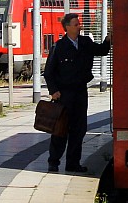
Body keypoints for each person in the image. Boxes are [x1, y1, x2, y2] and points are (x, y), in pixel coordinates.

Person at [44, 13, 110, 173]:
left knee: (78, 129)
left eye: (79, 24)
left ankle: (73, 163)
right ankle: (54, 161)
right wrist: (53, 91)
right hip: (64, 94)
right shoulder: (58, 47)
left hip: (80, 91)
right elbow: (48, 72)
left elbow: (101, 51)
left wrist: (108, 41)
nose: (79, 26)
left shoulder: (86, 43)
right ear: (67, 27)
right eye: (76, 24)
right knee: (60, 129)